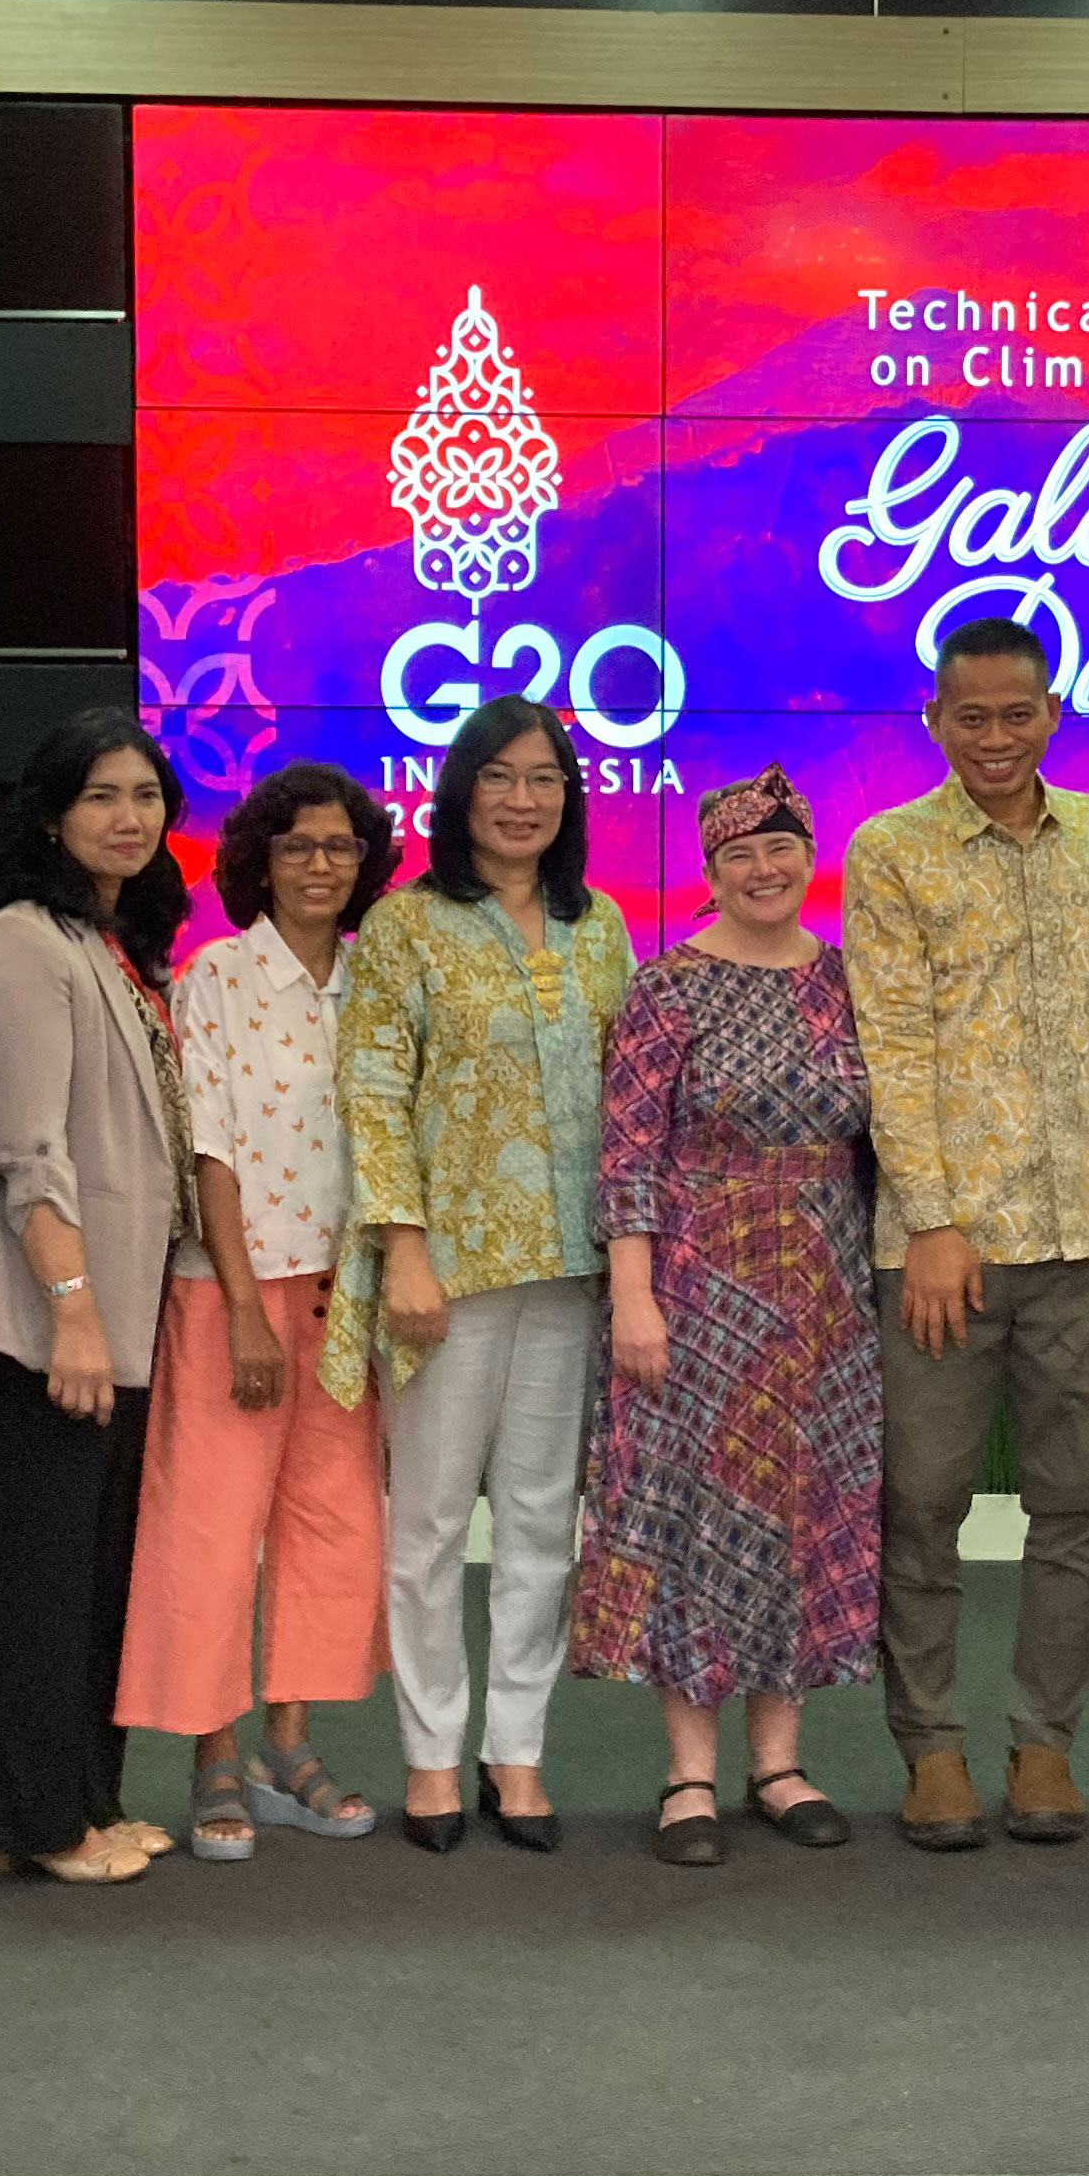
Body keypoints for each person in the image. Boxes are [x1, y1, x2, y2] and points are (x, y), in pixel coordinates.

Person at [842, 615, 1089, 1852]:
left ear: (1053, 714)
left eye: (1020, 714)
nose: (999, 737)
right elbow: (891, 1050)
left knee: (1081, 1503)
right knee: (921, 1501)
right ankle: (935, 1750)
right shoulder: (890, 850)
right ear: (936, 720)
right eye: (973, 717)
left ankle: (1044, 1746)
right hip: (944, 1248)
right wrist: (932, 1221)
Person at [335, 694, 638, 1852]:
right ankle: (427, 1759)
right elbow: (372, 1092)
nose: (524, 799)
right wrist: (403, 1242)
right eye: (502, 777)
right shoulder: (407, 929)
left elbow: (628, 1097)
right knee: (423, 1529)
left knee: (537, 1527)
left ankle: (516, 1755)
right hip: (446, 1275)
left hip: (570, 1269)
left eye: (546, 779)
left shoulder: (599, 925)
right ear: (460, 792)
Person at [577, 767, 884, 1866]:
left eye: (782, 847)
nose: (765, 869)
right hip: (697, 1287)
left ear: (810, 857)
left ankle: (782, 1764)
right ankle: (690, 1776)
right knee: (699, 1517)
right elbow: (626, 1152)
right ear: (710, 875)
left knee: (805, 1509)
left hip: (830, 1289)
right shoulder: (669, 989)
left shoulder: (851, 983)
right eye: (741, 854)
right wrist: (632, 1292)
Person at [123, 761, 398, 1856]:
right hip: (233, 1291)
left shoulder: (381, 978)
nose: (321, 865)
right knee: (211, 1528)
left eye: (339, 847)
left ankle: (294, 1744)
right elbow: (212, 1150)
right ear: (258, 862)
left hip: (348, 1296)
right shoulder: (218, 978)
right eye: (297, 848)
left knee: (331, 1527)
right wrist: (240, 1305)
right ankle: (215, 1753)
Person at [0, 710, 206, 1888]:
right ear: (53, 814)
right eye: (102, 796)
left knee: (95, 1571)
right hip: (59, 1320)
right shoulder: (21, 943)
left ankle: (72, 1803)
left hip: (122, 1315)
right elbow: (27, 1151)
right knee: (45, 1579)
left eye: (146, 797)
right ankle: (43, 1821)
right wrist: (70, 1306)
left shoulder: (111, 946)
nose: (128, 818)